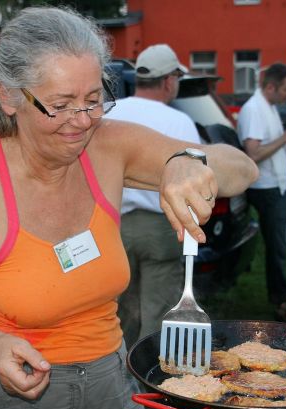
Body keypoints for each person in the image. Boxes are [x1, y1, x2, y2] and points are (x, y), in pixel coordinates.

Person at [0, 7, 258, 409]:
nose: (83, 120)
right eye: (60, 105)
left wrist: (187, 161)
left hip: (109, 386)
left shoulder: (107, 145)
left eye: (93, 99)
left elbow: (242, 169)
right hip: (7, 392)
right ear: (10, 98)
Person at [104, 44, 201, 348]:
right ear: (169, 80)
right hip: (161, 225)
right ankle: (151, 380)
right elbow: (195, 179)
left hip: (112, 224)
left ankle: (120, 374)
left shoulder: (110, 111)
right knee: (158, 310)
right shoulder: (179, 122)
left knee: (118, 309)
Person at [237, 63, 286, 312]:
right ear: (270, 86)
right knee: (277, 246)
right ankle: (280, 298)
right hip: (266, 189)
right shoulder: (253, 109)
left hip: (282, 186)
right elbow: (253, 153)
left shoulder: (269, 106)